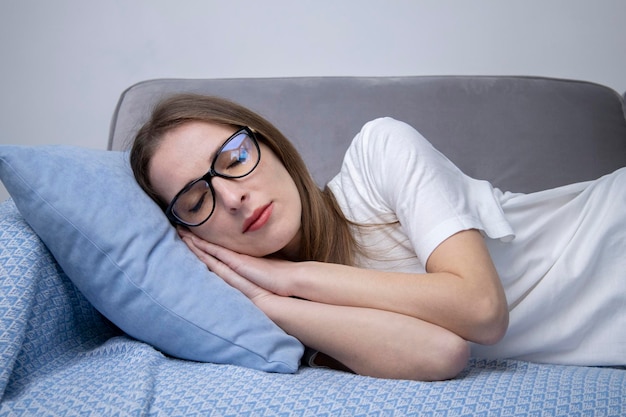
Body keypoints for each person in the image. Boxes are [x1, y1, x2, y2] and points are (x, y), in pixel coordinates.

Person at [130, 93, 626, 381]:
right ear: (191, 235)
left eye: (235, 159)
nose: (233, 196)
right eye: (197, 202)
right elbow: (442, 353)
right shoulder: (286, 323)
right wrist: (267, 298)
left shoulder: (378, 154)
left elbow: (481, 309)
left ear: (270, 144)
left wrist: (293, 275)